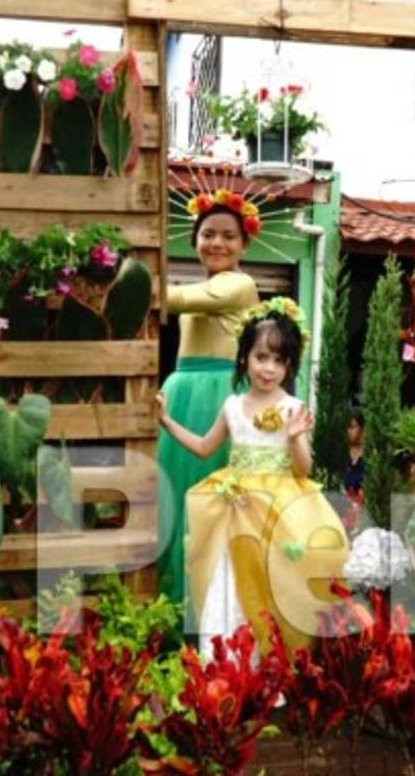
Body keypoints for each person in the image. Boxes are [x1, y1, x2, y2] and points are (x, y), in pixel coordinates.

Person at [157, 299, 349, 655]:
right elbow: (203, 447)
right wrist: (168, 422)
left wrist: (293, 439)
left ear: (289, 365)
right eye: (261, 357)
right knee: (225, 579)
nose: (269, 368)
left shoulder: (293, 408)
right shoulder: (232, 406)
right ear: (244, 356)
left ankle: (268, 668)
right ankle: (224, 664)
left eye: (279, 360)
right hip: (234, 505)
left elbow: (304, 469)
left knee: (271, 579)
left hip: (278, 509)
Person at [157, 194, 260, 607]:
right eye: (208, 234)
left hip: (219, 395)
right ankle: (174, 596)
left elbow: (176, 299)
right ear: (193, 239)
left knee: (210, 497)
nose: (218, 243)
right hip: (184, 389)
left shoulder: (240, 283)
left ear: (244, 245)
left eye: (229, 237)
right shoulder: (206, 284)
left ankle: (210, 602)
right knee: (176, 495)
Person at [342, 407, 365, 502]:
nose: (348, 431)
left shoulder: (370, 456)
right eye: (346, 427)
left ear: (362, 429)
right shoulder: (341, 453)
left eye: (352, 427)